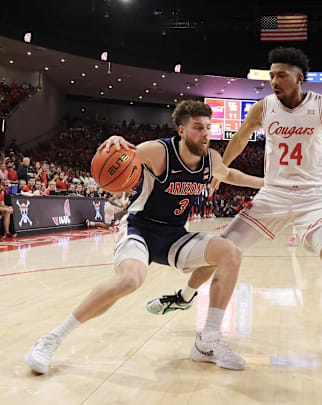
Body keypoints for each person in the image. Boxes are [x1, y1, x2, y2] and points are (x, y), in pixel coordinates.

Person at [147, 48, 322, 369]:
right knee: (222, 250)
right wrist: (220, 172)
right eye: (271, 75)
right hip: (272, 195)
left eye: (281, 75)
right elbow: (241, 139)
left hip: (313, 198)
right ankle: (185, 296)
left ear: (299, 78)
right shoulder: (264, 107)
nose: (274, 81)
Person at [25, 100, 265, 374]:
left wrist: (264, 182)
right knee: (130, 280)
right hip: (140, 227)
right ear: (182, 130)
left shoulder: (211, 159)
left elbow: (229, 173)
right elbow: (122, 157)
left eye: (208, 127)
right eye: (198, 128)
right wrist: (115, 138)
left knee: (230, 252)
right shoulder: (159, 150)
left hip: (174, 235)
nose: (205, 133)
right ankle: (51, 339)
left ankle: (207, 340)